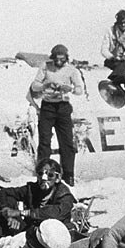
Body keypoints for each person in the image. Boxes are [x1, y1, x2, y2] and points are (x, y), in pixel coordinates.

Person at [31, 44, 85, 187]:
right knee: (44, 143)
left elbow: (80, 90)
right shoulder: (45, 67)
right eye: (57, 59)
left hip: (63, 107)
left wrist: (71, 89)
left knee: (67, 143)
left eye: (62, 59)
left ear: (66, 58)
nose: (59, 62)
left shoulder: (71, 70)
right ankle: (42, 174)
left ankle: (69, 175)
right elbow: (34, 85)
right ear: (53, 58)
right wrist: (44, 86)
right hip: (47, 107)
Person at [0, 158, 76, 237]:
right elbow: (2, 193)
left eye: (50, 175)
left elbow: (56, 212)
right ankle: (1, 240)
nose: (44, 179)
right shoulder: (32, 189)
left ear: (57, 179)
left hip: (53, 234)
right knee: (9, 200)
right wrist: (8, 214)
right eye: (40, 174)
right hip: (32, 230)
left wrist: (21, 212)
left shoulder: (64, 194)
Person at [101, 9, 125, 92]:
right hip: (112, 60)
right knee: (121, 66)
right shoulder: (110, 31)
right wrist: (112, 57)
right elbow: (104, 49)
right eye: (121, 22)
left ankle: (117, 79)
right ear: (117, 22)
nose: (123, 25)